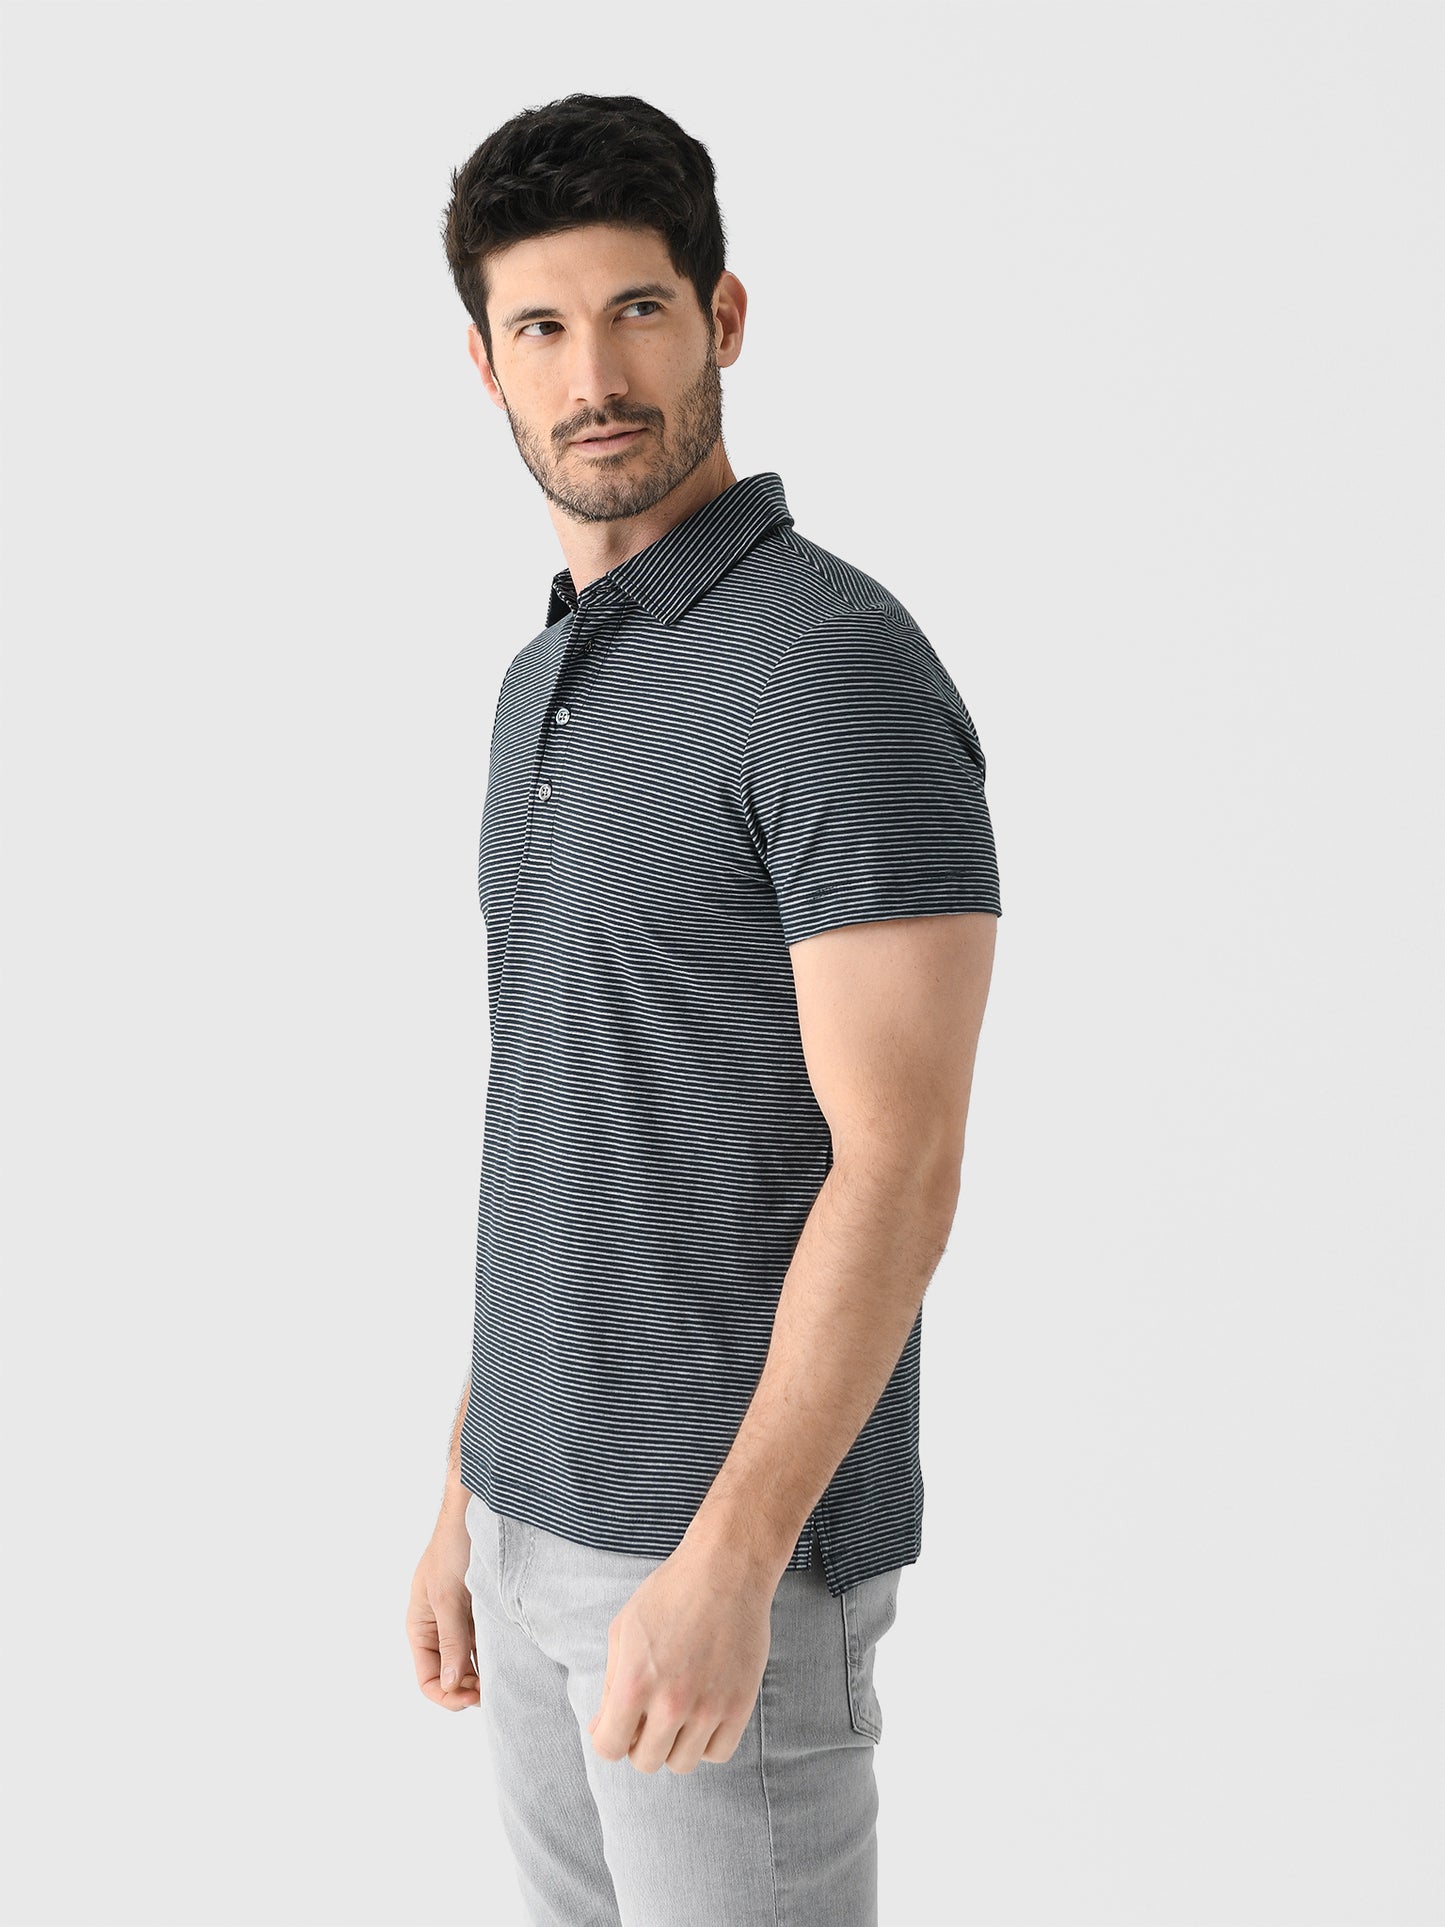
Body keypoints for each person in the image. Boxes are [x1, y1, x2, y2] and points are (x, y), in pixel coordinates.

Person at [404, 91, 1002, 1927]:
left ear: (721, 317)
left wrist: (733, 1560)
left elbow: (900, 1161)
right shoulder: (540, 684)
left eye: (637, 311)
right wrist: (466, 1494)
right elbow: (568, 1111)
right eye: (540, 327)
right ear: (487, 366)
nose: (593, 375)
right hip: (529, 1530)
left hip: (716, 1553)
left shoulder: (827, 662)